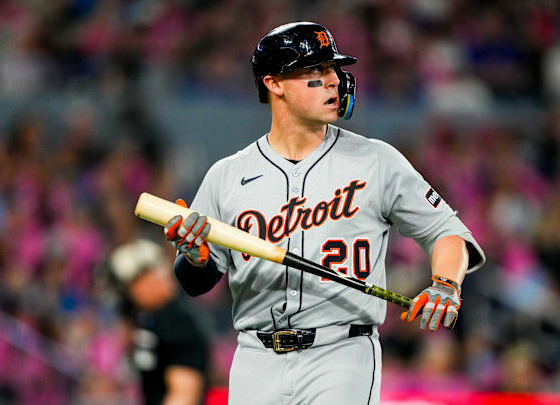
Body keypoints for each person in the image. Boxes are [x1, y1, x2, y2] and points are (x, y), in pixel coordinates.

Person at [163, 22, 486, 405]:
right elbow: (195, 282)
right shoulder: (227, 175)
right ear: (275, 83)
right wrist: (194, 256)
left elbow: (446, 231)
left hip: (341, 352)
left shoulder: (375, 160)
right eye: (316, 72)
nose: (333, 80)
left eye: (333, 69)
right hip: (255, 357)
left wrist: (445, 284)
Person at [109, 239, 210, 405]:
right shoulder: (145, 316)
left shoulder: (179, 323)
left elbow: (184, 396)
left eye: (132, 284)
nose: (128, 294)